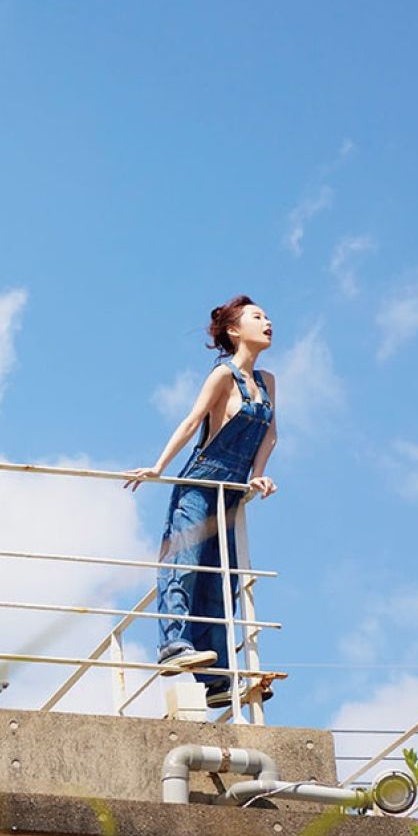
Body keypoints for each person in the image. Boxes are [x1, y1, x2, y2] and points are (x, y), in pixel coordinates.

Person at [124, 296, 278, 710]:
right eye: (257, 317)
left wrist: (258, 474)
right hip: (200, 481)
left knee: (222, 579)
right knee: (185, 563)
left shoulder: (267, 381)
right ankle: (173, 645)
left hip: (232, 491)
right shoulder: (223, 375)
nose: (267, 322)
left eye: (267, 316)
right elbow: (193, 420)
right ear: (234, 330)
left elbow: (270, 435)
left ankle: (218, 679)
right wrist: (158, 467)